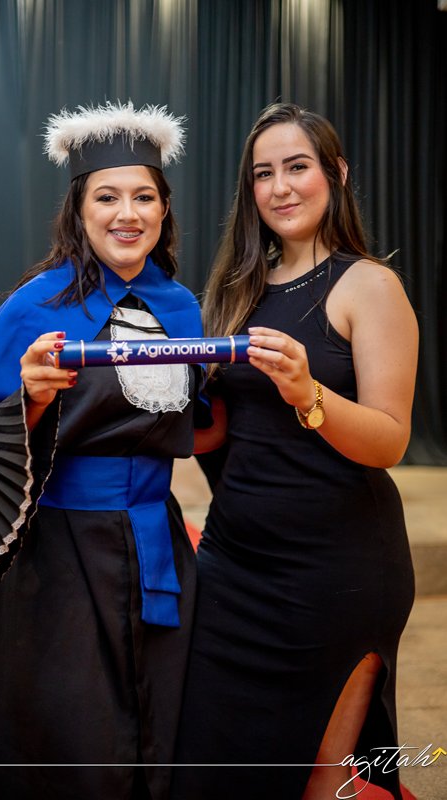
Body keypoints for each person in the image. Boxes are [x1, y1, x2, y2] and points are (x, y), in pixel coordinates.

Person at [0, 101, 208, 800]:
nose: (127, 213)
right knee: (71, 738)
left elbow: (201, 424)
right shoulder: (37, 305)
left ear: (165, 210)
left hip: (158, 543)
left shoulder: (182, 307)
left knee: (164, 720)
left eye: (144, 196)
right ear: (78, 209)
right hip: (59, 553)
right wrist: (30, 397)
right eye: (106, 197)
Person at [171, 102, 419, 800]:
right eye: (263, 173)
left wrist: (308, 393)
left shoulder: (369, 285)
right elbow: (220, 433)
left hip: (335, 574)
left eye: (297, 167)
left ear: (336, 174)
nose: (279, 187)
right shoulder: (235, 292)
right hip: (232, 567)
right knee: (205, 768)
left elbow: (389, 439)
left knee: (317, 779)